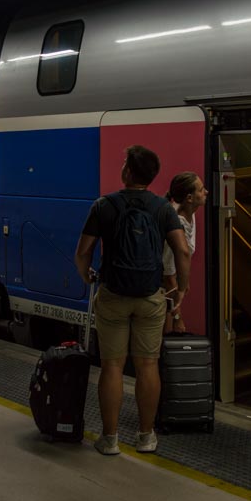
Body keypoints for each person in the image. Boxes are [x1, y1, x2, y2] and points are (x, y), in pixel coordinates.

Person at [74, 145, 190, 456]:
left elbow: (83, 251)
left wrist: (87, 276)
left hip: (113, 295)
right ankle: (145, 437)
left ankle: (109, 439)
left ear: (127, 172)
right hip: (150, 298)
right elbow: (182, 251)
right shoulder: (164, 209)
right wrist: (182, 289)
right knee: (147, 365)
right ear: (152, 177)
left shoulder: (104, 205)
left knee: (112, 366)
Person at [161, 172, 207, 334]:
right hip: (160, 291)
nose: (206, 192)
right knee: (162, 339)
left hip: (168, 290)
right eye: (201, 190)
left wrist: (183, 278)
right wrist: (178, 318)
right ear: (189, 198)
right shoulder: (174, 225)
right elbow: (167, 276)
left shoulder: (189, 213)